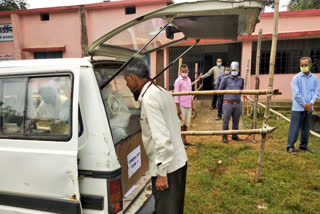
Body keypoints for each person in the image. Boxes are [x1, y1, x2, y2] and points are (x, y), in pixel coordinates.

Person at [123, 58, 188, 214]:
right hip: (179, 162)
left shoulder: (150, 99)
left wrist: (162, 174)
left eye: (126, 81)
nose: (126, 85)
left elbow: (162, 139)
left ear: (133, 78)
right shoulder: (162, 91)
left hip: (169, 170)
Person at [287, 57, 319, 154]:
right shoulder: (296, 78)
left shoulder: (314, 79)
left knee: (306, 128)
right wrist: (305, 105)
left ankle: (303, 146)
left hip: (309, 108)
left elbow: (316, 92)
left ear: (310, 65)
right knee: (295, 127)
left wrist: (311, 103)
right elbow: (296, 94)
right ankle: (290, 146)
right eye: (302, 65)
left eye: (306, 65)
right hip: (298, 108)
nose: (304, 67)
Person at [219, 61, 244, 143]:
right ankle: (225, 136)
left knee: (236, 120)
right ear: (230, 70)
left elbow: (242, 89)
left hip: (237, 104)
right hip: (227, 103)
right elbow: (220, 90)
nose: (234, 71)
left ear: (238, 70)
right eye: (232, 70)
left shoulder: (241, 80)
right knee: (226, 120)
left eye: (235, 70)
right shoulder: (225, 79)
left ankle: (235, 135)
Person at [174, 64, 195, 146]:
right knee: (180, 125)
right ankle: (179, 144)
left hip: (188, 105)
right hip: (181, 105)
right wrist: (177, 109)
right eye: (183, 71)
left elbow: (191, 94)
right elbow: (176, 95)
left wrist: (192, 105)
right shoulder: (178, 81)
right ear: (180, 71)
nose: (185, 73)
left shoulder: (189, 80)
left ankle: (184, 140)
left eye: (186, 71)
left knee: (186, 124)